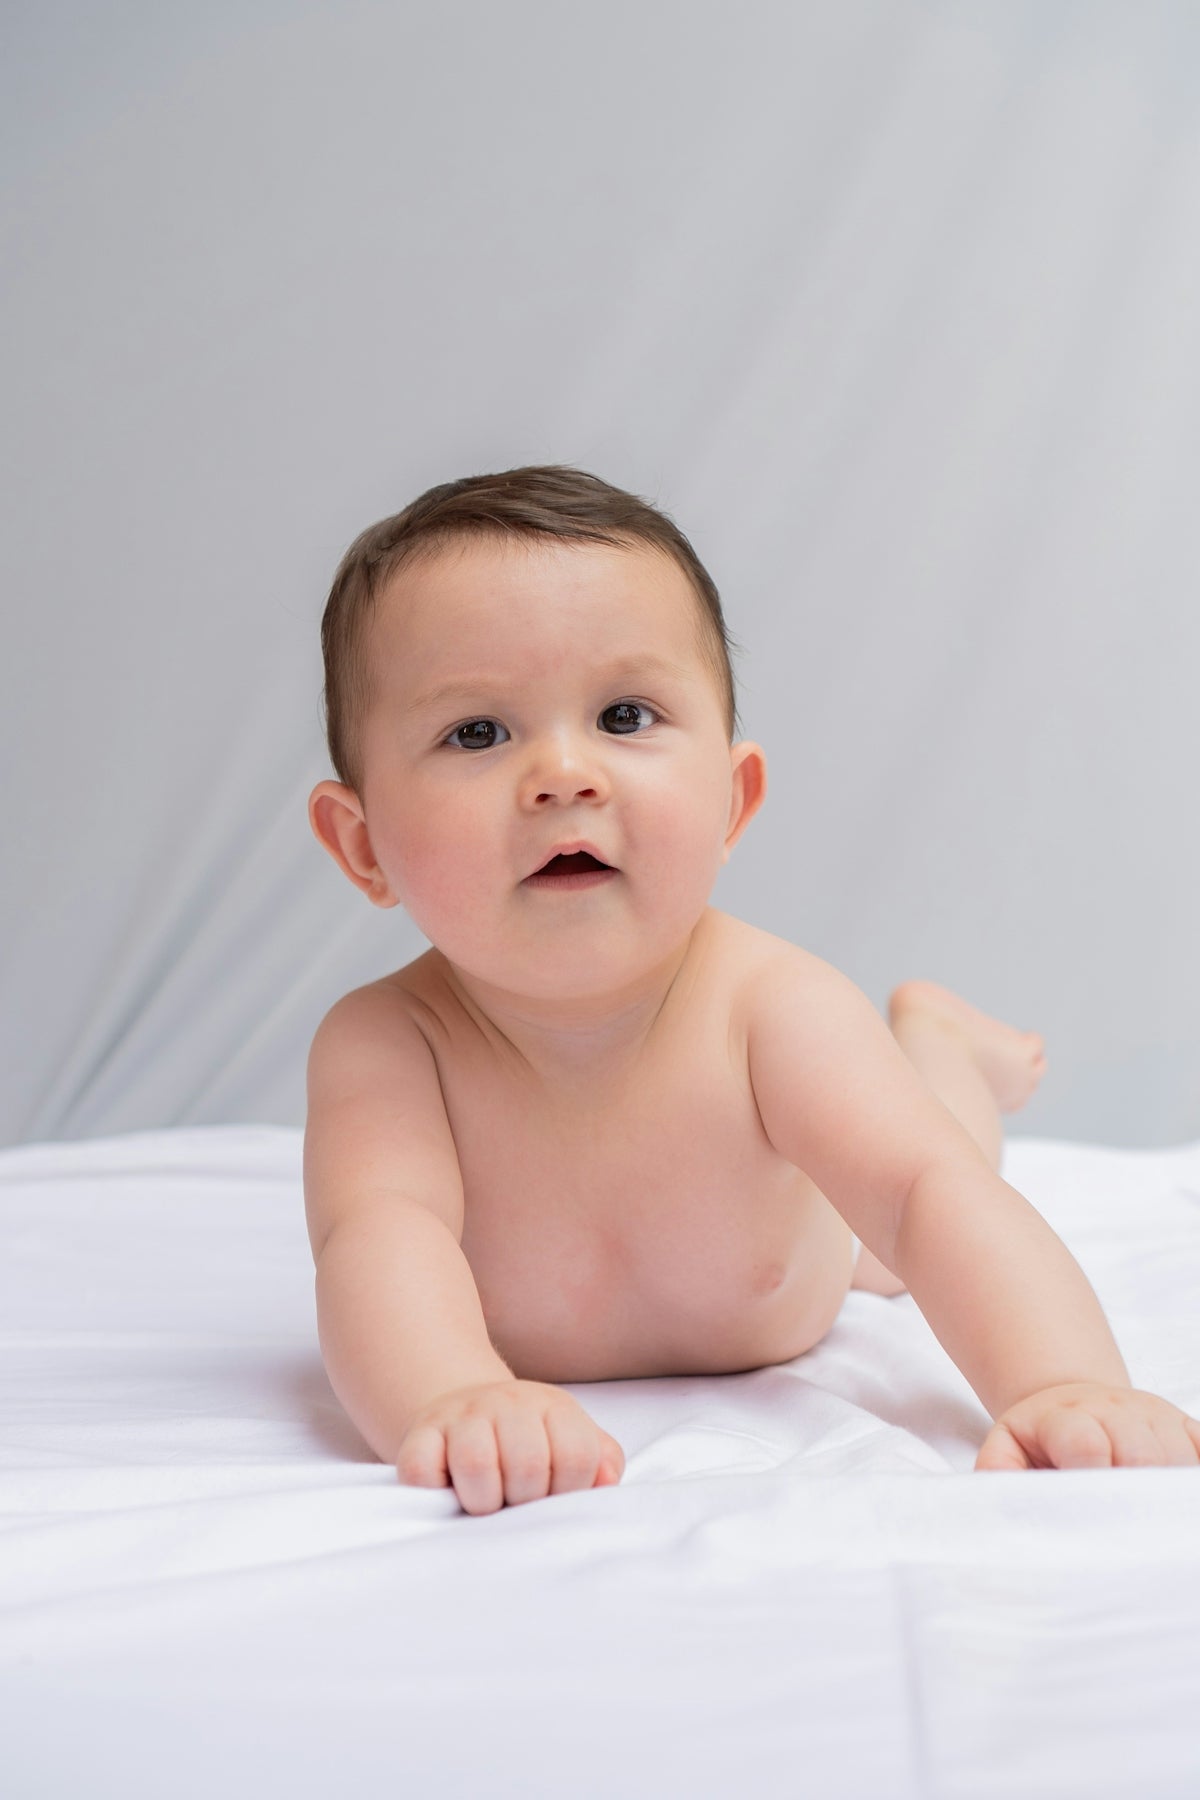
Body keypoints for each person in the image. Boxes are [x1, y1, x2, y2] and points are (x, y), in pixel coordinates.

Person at [304, 464, 1200, 1516]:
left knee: (902, 1215)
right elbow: (377, 1238)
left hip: (828, 1258)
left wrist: (1061, 1384)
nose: (563, 775)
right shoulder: (386, 1044)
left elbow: (925, 1197)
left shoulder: (770, 1007)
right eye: (478, 733)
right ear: (361, 846)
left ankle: (940, 1045)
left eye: (625, 715)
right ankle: (931, 1040)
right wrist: (450, 1394)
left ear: (733, 802)